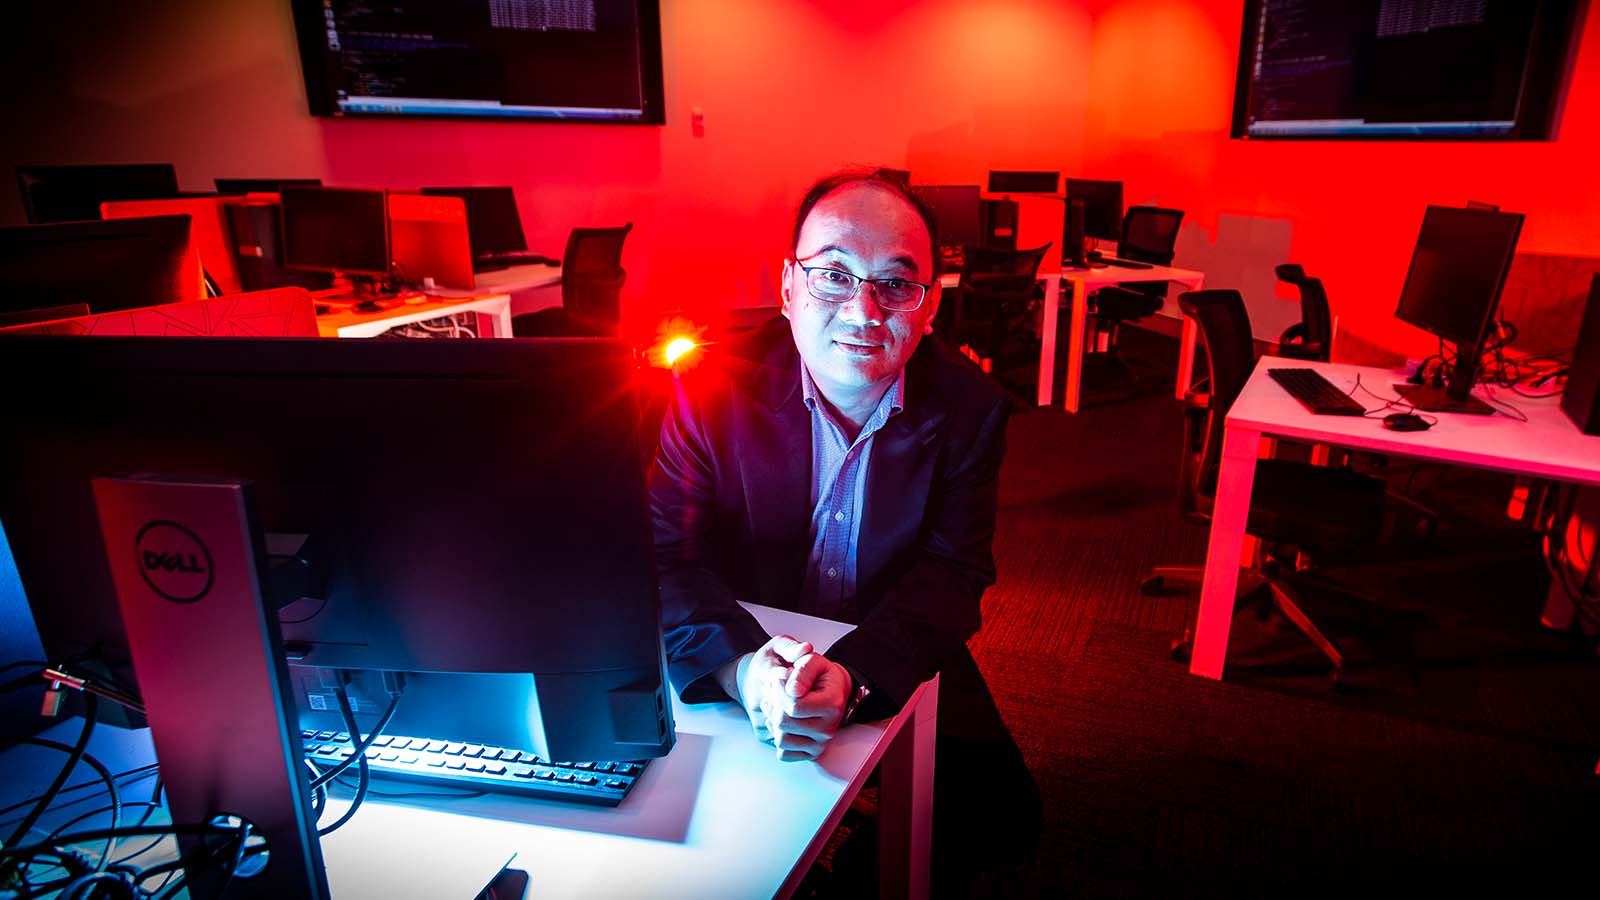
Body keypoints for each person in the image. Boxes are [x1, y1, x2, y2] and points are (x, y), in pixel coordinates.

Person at [650, 168, 1040, 892]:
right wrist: (740, 667)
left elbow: (954, 573)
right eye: (833, 275)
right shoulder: (710, 387)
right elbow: (664, 554)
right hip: (742, 630)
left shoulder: (970, 410)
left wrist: (858, 677)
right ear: (788, 287)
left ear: (929, 306)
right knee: (700, 834)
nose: (864, 312)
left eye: (895, 284)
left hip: (886, 625)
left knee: (1002, 821)